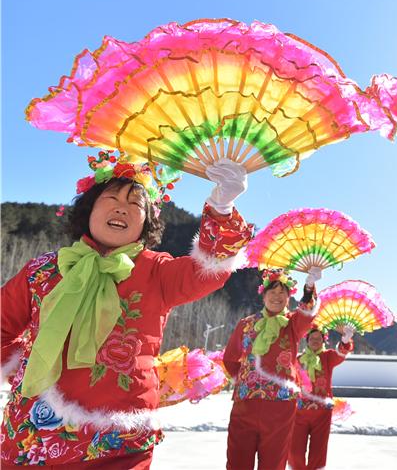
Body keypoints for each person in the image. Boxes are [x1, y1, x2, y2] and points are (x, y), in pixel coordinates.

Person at [1, 153, 251, 468]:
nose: (122, 207)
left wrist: (223, 206)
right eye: (111, 198)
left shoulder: (157, 271)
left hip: (118, 444)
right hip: (32, 436)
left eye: (136, 204)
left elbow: (211, 270)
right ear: (89, 208)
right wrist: (19, 367)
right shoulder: (44, 270)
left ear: (147, 223)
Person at [222, 266, 322, 470]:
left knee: (273, 462)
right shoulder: (246, 324)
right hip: (245, 403)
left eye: (282, 293)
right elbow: (230, 359)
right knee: (238, 460)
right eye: (272, 292)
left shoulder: (293, 324)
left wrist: (309, 286)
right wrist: (244, 381)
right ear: (263, 295)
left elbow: (307, 312)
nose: (277, 297)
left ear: (288, 298)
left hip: (280, 406)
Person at [288, 326, 354, 470]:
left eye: (318, 338)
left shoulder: (328, 357)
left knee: (318, 452)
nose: (315, 341)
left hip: (322, 412)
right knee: (294, 451)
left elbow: (341, 354)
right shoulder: (298, 360)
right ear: (307, 341)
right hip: (299, 412)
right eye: (312, 338)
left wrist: (345, 340)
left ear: (323, 340)